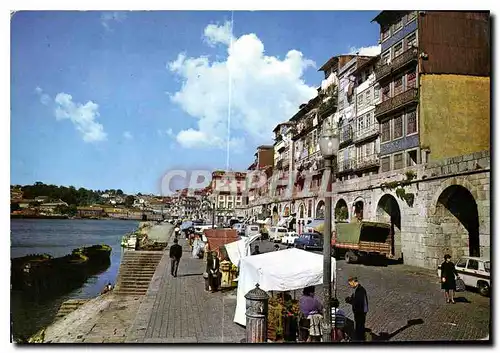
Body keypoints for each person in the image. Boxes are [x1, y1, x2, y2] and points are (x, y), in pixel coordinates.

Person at [345, 277, 368, 341]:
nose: (350, 286)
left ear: (353, 282)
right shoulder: (359, 290)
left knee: (359, 328)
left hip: (360, 313)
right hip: (359, 312)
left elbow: (359, 303)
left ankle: (360, 340)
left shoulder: (360, 290)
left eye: (350, 284)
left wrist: (351, 300)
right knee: (359, 327)